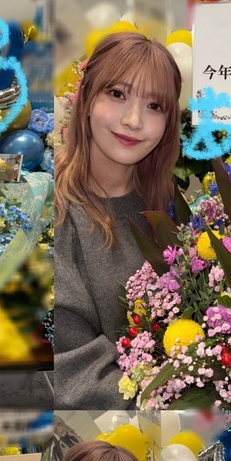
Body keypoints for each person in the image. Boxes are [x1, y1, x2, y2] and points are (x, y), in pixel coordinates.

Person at [54, 31, 181, 409]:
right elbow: (70, 370)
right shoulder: (55, 213)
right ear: (87, 97)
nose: (133, 120)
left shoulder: (170, 207)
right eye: (117, 94)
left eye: (154, 105)